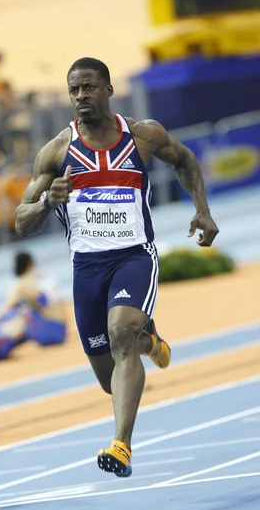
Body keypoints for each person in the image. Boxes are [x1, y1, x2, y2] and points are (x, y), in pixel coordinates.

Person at [15, 57, 219, 478]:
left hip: (133, 256)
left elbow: (184, 160)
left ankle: (121, 445)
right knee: (111, 382)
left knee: (120, 332)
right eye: (74, 90)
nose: (80, 96)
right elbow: (21, 221)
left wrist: (202, 209)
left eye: (89, 87)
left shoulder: (142, 136)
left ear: (109, 90)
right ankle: (148, 340)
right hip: (87, 268)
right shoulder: (56, 152)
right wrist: (45, 203)